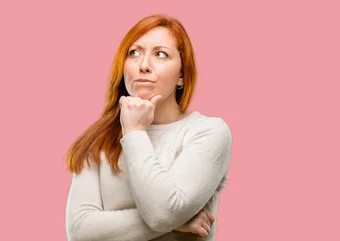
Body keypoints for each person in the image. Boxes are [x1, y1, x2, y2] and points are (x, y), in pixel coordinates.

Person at [64, 14, 232, 241]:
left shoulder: (208, 132)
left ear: (182, 75)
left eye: (160, 54)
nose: (144, 65)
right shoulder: (99, 139)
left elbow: (163, 214)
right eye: (134, 53)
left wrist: (134, 132)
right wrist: (178, 221)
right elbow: (80, 231)